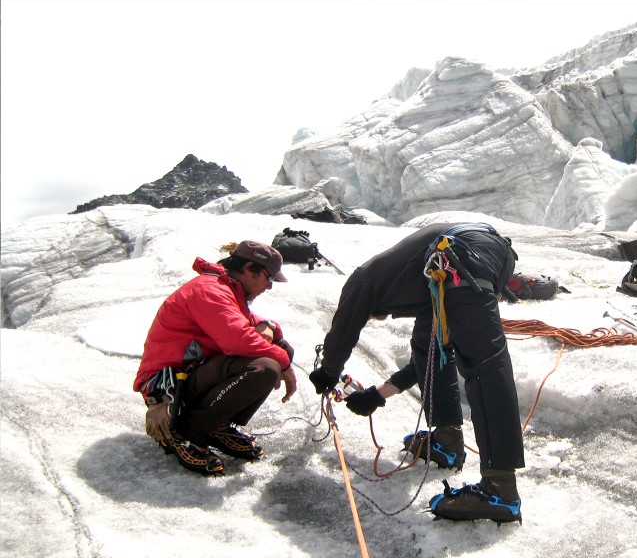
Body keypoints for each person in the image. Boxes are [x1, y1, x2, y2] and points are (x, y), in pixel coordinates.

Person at [308, 223, 525, 523]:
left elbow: (343, 330)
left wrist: (328, 374)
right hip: (473, 255)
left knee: (483, 364)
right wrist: (376, 394)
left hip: (458, 254)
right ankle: (447, 440)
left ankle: (500, 489)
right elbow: (424, 360)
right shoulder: (422, 289)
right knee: (429, 346)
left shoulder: (363, 282)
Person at [135, 240, 297, 475]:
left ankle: (215, 423)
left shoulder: (225, 288)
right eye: (268, 278)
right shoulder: (210, 290)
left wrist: (267, 326)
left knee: (278, 349)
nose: (269, 286)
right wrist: (284, 363)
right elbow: (236, 340)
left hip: (193, 372)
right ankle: (186, 431)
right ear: (250, 268)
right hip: (170, 387)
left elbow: (240, 321)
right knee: (266, 367)